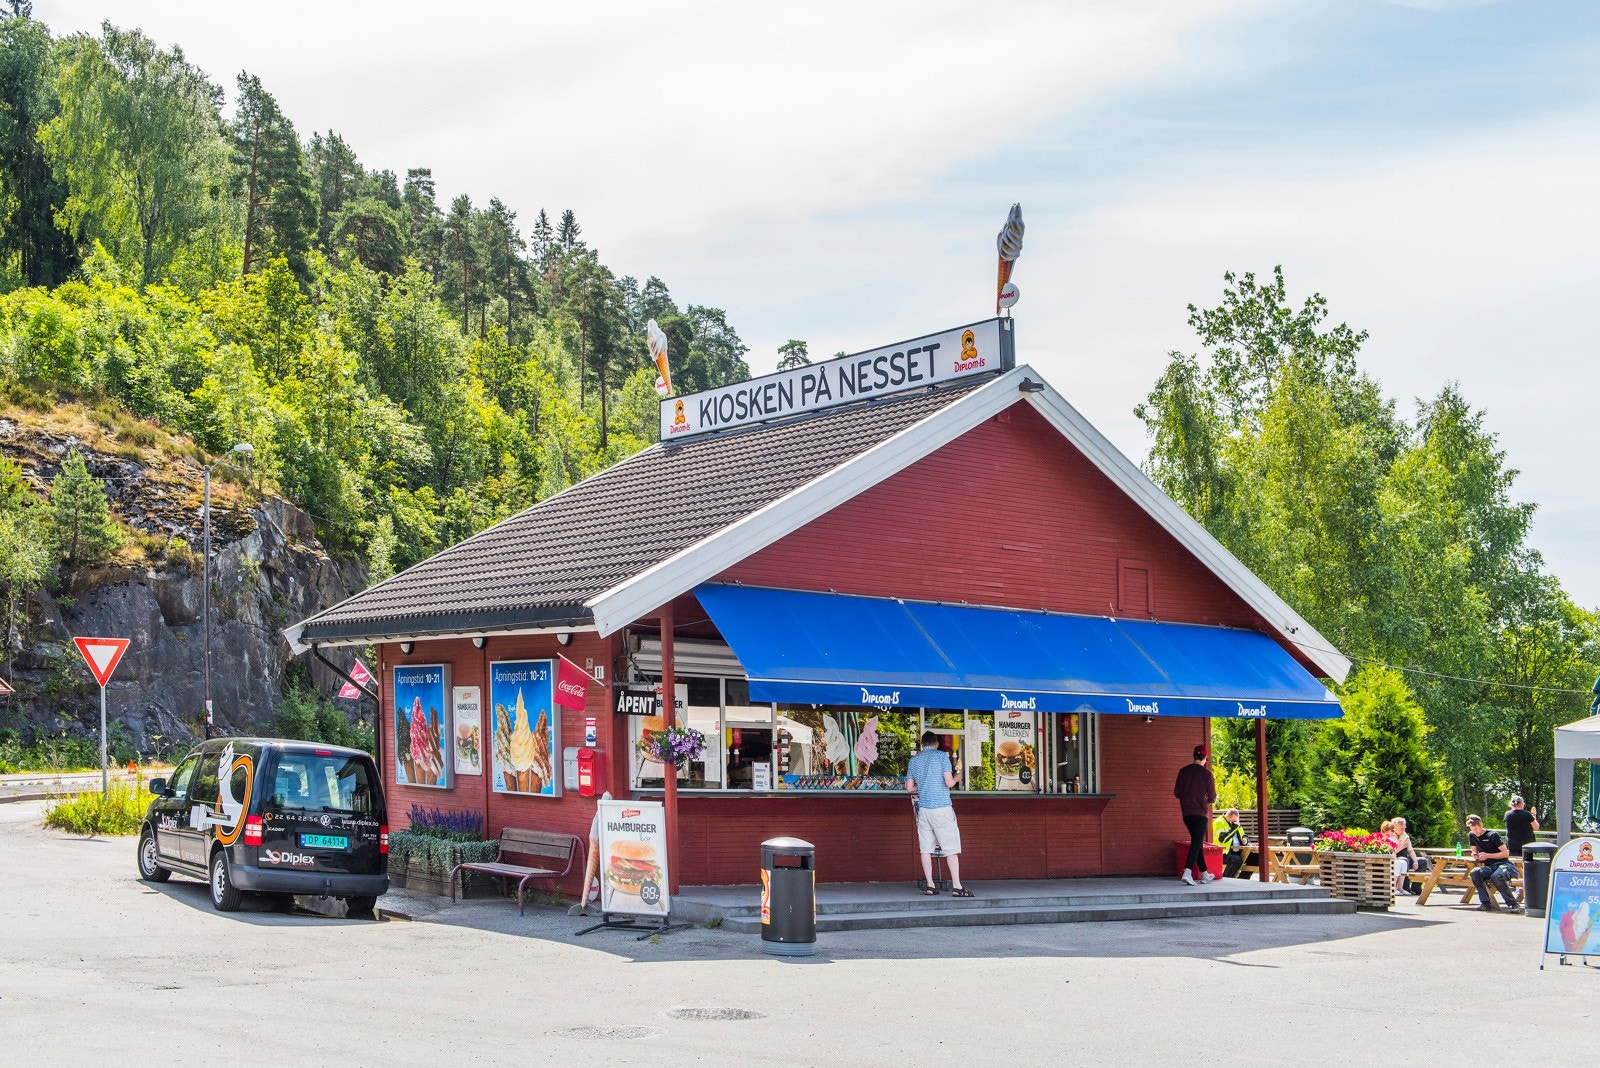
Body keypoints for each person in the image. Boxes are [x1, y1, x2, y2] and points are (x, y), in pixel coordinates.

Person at [905, 732, 972, 898]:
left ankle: (930, 885)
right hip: (941, 808)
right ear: (936, 743)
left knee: (925, 849)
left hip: (924, 810)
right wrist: (957, 777)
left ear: (922, 744)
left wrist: (922, 787)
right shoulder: (942, 756)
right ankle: (957, 886)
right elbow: (949, 783)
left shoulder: (914, 760)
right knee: (950, 849)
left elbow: (909, 788)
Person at [1173, 744, 1216, 886]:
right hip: (1200, 814)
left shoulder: (1183, 772)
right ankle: (1188, 871)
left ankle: (1204, 873)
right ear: (1205, 758)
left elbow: (1177, 793)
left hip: (1186, 813)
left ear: (1194, 756)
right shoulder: (1207, 774)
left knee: (1197, 842)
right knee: (1196, 842)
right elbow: (1212, 797)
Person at [1466, 814, 1521, 912]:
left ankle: (1513, 904)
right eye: (1473, 829)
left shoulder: (1492, 835)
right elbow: (1473, 850)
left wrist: (1488, 855)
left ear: (1481, 825)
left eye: (1476, 829)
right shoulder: (1472, 835)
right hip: (1489, 866)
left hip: (1504, 864)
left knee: (1496, 876)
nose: (1475, 832)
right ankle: (1485, 903)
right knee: (1475, 872)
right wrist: (1474, 854)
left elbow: (1505, 853)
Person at [1215, 807, 1249, 878]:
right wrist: (1234, 827)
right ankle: (1225, 879)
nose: (1235, 822)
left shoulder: (1235, 823)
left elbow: (1243, 834)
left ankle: (1243, 879)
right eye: (1234, 821)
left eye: (1237, 820)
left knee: (1255, 857)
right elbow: (1222, 839)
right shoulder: (1219, 822)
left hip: (1237, 850)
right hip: (1223, 852)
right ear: (1228, 817)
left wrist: (1245, 839)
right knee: (1236, 860)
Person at [1390, 816, 1419, 895]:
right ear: (1395, 827)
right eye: (1401, 828)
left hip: (1404, 857)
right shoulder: (1390, 835)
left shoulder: (1404, 835)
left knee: (1422, 862)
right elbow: (1392, 852)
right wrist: (1402, 846)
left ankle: (1416, 889)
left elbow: (1410, 850)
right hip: (1396, 857)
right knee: (1404, 861)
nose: (1403, 830)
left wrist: (1415, 861)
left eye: (1404, 828)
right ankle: (1404, 888)